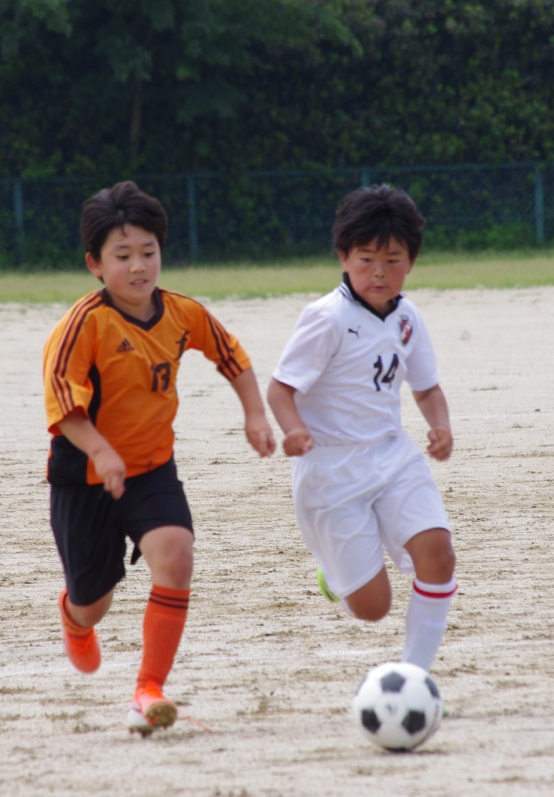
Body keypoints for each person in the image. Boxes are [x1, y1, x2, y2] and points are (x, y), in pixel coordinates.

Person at [42, 181, 276, 736]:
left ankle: (148, 690)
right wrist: (102, 450)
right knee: (93, 603)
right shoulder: (83, 324)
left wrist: (255, 414)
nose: (138, 266)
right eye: (122, 256)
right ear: (95, 264)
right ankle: (75, 616)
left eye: (148, 252)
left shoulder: (181, 312)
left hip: (151, 470)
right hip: (86, 477)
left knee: (176, 554)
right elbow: (64, 406)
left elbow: (231, 356)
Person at [267, 184, 457, 674]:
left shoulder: (408, 318)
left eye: (392, 260)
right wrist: (294, 431)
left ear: (411, 262)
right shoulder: (326, 318)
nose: (379, 272)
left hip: (393, 457)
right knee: (374, 609)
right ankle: (336, 574)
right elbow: (280, 390)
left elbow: (427, 388)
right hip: (331, 473)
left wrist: (440, 426)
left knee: (438, 555)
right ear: (343, 258)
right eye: (366, 259)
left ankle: (415, 679)